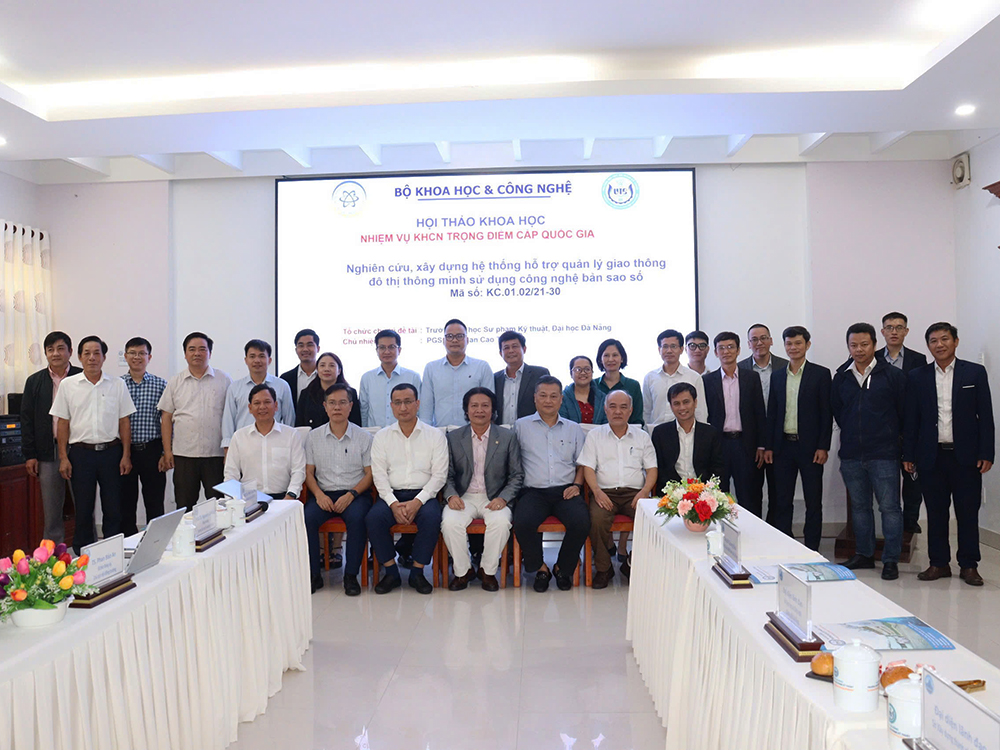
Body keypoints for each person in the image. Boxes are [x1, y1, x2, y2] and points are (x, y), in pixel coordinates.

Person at [904, 323, 994, 586]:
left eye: (944, 339)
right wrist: (908, 454)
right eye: (933, 341)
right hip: (931, 456)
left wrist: (986, 452)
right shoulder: (917, 376)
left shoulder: (974, 372)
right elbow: (911, 419)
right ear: (928, 346)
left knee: (967, 513)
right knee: (936, 512)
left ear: (956, 341)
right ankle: (939, 563)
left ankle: (969, 565)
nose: (939, 345)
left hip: (966, 456)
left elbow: (985, 415)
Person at [832, 323, 906, 580]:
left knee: (890, 508)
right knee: (860, 508)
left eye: (864, 344)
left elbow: (904, 413)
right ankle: (864, 554)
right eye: (853, 345)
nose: (859, 350)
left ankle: (891, 559)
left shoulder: (892, 376)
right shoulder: (842, 376)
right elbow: (838, 411)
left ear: (875, 344)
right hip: (852, 454)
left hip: (884, 454)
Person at [50, 336, 136, 551]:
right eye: (87, 353)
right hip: (81, 454)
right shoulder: (68, 385)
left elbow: (124, 422)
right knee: (83, 508)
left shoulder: (117, 384)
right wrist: (63, 457)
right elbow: (63, 423)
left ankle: (112, 551)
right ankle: (83, 554)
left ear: (104, 357)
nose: (92, 358)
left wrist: (126, 455)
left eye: (97, 353)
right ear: (79, 357)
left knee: (113, 507)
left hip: (111, 453)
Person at [367, 383, 448, 594]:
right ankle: (391, 572)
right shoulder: (382, 436)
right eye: (398, 403)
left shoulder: (435, 435)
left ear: (417, 403)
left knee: (432, 518)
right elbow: (379, 475)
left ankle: (417, 572)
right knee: (374, 519)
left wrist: (418, 501)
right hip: (391, 494)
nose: (403, 407)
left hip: (424, 494)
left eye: (408, 402)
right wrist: (393, 504)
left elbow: (439, 475)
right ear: (392, 406)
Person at [441, 387, 523, 591]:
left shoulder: (507, 437)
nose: (480, 410)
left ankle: (487, 572)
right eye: (474, 406)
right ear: (466, 410)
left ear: (493, 410)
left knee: (501, 522)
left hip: (494, 496)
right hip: (463, 496)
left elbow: (516, 475)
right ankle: (463, 572)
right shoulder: (453, 437)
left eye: (485, 405)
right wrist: (451, 496)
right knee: (450, 523)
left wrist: (503, 498)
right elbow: (446, 474)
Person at [513, 376, 589, 592]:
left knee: (581, 522)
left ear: (561, 399)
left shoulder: (574, 429)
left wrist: (576, 485)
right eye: (543, 395)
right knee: (523, 522)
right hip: (532, 491)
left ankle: (563, 568)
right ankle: (540, 568)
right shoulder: (520, 426)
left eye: (553, 396)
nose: (548, 400)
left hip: (566, 490)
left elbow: (582, 463)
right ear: (535, 398)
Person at [579, 391, 657, 589]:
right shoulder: (595, 436)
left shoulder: (642, 437)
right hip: (604, 492)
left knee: (652, 521)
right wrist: (596, 491)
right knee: (596, 519)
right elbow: (588, 467)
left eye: (623, 407)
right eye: (612, 406)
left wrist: (644, 492)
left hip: (635, 493)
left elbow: (652, 469)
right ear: (605, 409)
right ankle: (604, 569)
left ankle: (631, 563)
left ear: (630, 411)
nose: (618, 411)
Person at [763, 326, 832, 551]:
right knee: (782, 501)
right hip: (783, 447)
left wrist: (823, 446)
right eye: (789, 343)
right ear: (784, 345)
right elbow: (773, 413)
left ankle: (812, 548)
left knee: (813, 501)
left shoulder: (821, 374)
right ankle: (786, 546)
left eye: (798, 343)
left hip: (811, 448)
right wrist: (769, 446)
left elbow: (826, 413)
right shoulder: (777, 375)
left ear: (807, 345)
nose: (793, 348)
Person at [304, 383, 374, 595]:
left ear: (350, 406)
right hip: (323, 494)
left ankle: (350, 576)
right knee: (306, 518)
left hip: (355, 494)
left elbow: (370, 474)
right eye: (332, 403)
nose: (337, 407)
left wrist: (351, 495)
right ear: (325, 407)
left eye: (342, 402)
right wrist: (319, 495)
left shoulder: (364, 437)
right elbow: (308, 473)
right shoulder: (313, 437)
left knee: (358, 519)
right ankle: (313, 575)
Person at [158, 332, 232, 510]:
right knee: (184, 504)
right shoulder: (175, 382)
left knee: (219, 505)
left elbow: (231, 416)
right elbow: (166, 417)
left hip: (216, 455)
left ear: (210, 353)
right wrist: (167, 451)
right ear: (185, 354)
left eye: (202, 349)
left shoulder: (224, 380)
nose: (197, 353)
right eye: (192, 349)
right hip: (184, 455)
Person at [21, 331, 81, 544]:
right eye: (50, 349)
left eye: (60, 348)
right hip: (47, 451)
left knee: (84, 504)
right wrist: (30, 454)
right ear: (46, 353)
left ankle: (88, 548)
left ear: (70, 352)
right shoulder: (34, 381)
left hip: (79, 449)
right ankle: (53, 553)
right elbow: (27, 419)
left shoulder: (82, 377)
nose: (55, 353)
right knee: (51, 507)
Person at [702, 332, 766, 516]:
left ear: (738, 350)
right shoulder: (707, 380)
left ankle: (751, 532)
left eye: (730, 347)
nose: (726, 351)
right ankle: (718, 531)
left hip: (745, 444)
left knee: (749, 495)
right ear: (715, 352)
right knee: (717, 496)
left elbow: (759, 412)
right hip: (718, 444)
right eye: (721, 348)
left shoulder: (751, 378)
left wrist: (761, 445)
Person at [878, 312, 928, 534]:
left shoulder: (918, 359)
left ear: (906, 331)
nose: (894, 332)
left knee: (912, 478)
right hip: (882, 429)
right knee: (885, 480)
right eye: (889, 327)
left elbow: (921, 394)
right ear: (882, 332)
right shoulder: (873, 357)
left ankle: (910, 519)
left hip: (910, 428)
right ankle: (889, 522)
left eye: (899, 327)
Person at [739, 323, 788, 524]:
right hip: (750, 440)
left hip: (779, 437)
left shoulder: (785, 366)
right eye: (754, 339)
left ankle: (776, 533)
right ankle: (754, 531)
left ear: (771, 341)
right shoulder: (739, 368)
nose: (759, 343)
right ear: (748, 344)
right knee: (751, 492)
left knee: (779, 492)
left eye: (763, 338)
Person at [223, 383, 305, 501]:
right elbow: (231, 474)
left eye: (267, 402)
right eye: (257, 403)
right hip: (249, 499)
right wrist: (233, 501)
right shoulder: (239, 437)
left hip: (284, 498)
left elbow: (298, 470)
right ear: (250, 408)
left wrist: (290, 495)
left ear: (276, 406)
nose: (262, 407)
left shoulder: (291, 435)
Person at [120, 337, 167, 536]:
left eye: (142, 353)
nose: (137, 357)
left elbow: (168, 421)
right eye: (132, 353)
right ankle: (128, 541)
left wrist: (165, 452)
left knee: (154, 501)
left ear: (149, 357)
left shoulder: (161, 384)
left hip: (152, 450)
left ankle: (155, 540)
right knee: (125, 501)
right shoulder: (117, 385)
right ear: (125, 356)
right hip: (124, 451)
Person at [221, 339, 295, 449]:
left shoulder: (282, 386)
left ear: (269, 360)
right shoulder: (235, 388)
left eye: (261, 356)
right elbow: (228, 421)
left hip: (275, 444)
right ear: (246, 360)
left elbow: (289, 420)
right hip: (243, 445)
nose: (257, 360)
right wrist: (227, 448)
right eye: (252, 356)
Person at [419, 318, 493, 427]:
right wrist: (426, 432)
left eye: (459, 336)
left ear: (467, 340)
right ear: (443, 341)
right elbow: (426, 408)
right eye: (449, 336)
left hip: (473, 432)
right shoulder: (431, 368)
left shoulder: (482, 367)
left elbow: (489, 405)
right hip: (440, 432)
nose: (454, 340)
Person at [650, 383, 724, 485]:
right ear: (671, 406)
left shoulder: (710, 433)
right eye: (676, 403)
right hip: (671, 490)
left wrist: (707, 489)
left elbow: (718, 468)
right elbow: (660, 469)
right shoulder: (660, 433)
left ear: (695, 402)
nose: (682, 408)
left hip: (704, 490)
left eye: (686, 402)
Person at [642, 329, 707, 428]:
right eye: (665, 346)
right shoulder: (650, 378)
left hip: (686, 433)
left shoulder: (694, 377)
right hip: (656, 432)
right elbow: (646, 411)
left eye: (673, 346)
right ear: (659, 350)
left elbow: (701, 412)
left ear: (681, 349)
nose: (669, 351)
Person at [359, 329, 421, 428]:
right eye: (382, 347)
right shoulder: (367, 378)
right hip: (375, 434)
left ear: (399, 350)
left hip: (406, 433)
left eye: (391, 347)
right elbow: (364, 411)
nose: (387, 351)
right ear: (377, 351)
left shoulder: (413, 377)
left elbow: (419, 410)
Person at [493, 330, 551, 425]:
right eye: (506, 348)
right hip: (502, 432)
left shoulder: (540, 374)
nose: (511, 351)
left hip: (532, 430)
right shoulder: (495, 378)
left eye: (515, 346)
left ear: (524, 349)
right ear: (500, 353)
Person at [296, 352, 361, 429]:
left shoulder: (350, 393)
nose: (326, 369)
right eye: (322, 365)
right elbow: (300, 425)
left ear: (339, 371)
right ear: (317, 369)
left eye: (332, 365)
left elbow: (356, 423)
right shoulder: (306, 394)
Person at [594, 338, 643, 425]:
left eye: (615, 355)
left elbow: (637, 419)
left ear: (622, 358)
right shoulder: (592, 385)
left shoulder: (633, 385)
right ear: (600, 360)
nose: (610, 359)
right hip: (596, 432)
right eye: (606, 355)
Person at [559, 355, 608, 425]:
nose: (583, 373)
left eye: (587, 369)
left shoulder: (603, 398)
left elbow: (607, 424)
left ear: (592, 372)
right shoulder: (563, 398)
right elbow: (562, 423)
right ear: (571, 374)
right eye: (578, 369)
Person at [279, 328, 319, 405]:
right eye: (301, 345)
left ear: (318, 348)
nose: (305, 349)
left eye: (309, 345)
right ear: (296, 350)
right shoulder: (285, 379)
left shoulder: (326, 376)